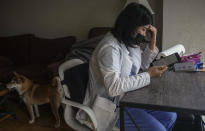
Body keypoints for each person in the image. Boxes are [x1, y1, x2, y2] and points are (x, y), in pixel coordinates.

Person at [76, 2, 177, 131]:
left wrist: (153, 41)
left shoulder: (128, 42)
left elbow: (141, 66)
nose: (145, 34)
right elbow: (113, 88)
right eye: (143, 29)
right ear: (131, 25)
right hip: (112, 107)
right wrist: (149, 75)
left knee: (170, 116)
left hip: (129, 98)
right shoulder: (110, 48)